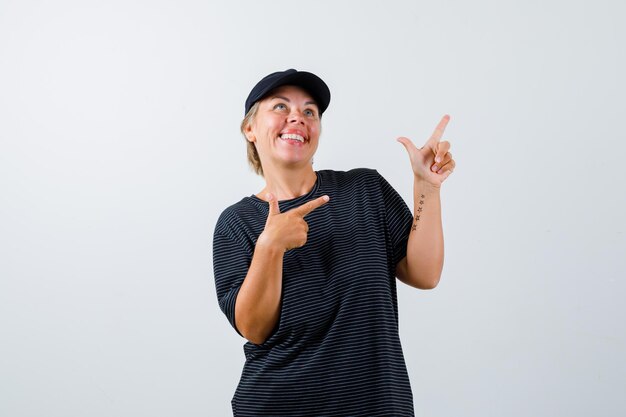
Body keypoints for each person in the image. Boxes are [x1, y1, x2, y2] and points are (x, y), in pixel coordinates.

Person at [212, 69, 455, 416]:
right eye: (281, 107)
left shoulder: (365, 191)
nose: (297, 116)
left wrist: (427, 186)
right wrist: (270, 247)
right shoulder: (236, 224)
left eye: (310, 112)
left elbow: (425, 273)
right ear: (250, 128)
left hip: (377, 406)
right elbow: (253, 328)